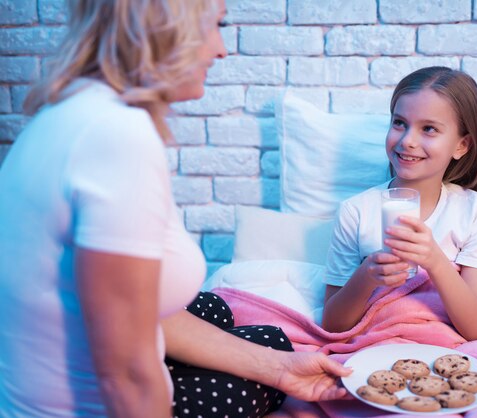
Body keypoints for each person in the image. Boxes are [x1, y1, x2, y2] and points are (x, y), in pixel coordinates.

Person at [0, 1, 350, 417]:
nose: (221, 49)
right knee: (268, 346)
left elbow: (140, 313)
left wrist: (281, 370)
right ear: (167, 24)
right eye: (214, 26)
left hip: (42, 377)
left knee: (255, 335)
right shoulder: (116, 137)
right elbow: (127, 374)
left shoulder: (70, 109)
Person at [322, 66, 477, 338]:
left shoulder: (473, 211)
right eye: (399, 123)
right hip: (375, 345)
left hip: (443, 347)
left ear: (461, 146)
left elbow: (475, 329)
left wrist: (435, 261)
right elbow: (333, 324)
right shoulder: (356, 211)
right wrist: (367, 275)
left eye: (428, 129)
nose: (407, 141)